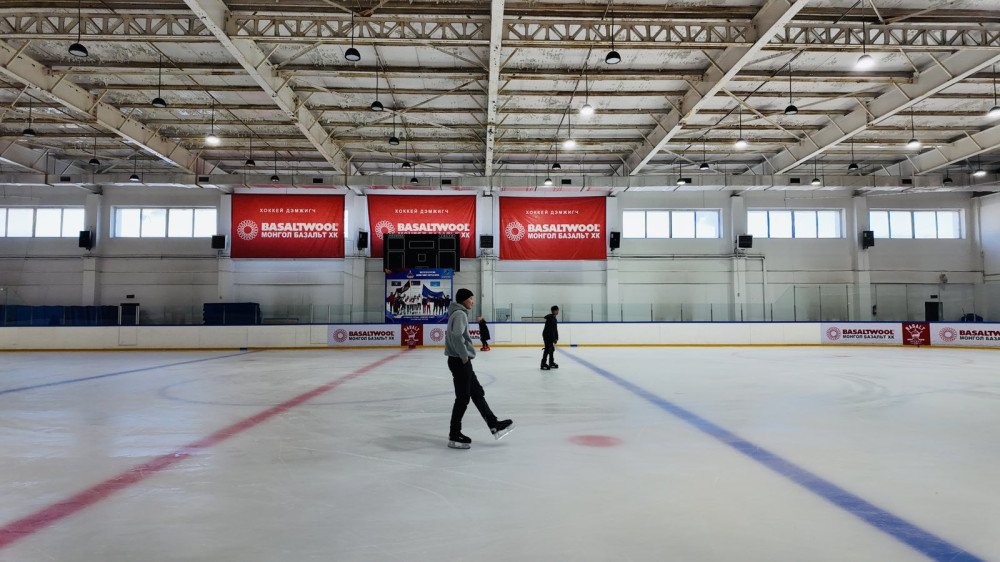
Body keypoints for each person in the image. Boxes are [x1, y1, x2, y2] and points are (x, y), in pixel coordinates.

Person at [445, 288, 513, 449]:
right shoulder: (460, 314)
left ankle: (493, 424)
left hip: (459, 361)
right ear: (464, 300)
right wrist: (464, 355)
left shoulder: (457, 313)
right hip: (460, 361)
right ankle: (454, 433)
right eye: (470, 298)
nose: (472, 301)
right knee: (463, 398)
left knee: (477, 392)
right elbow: (456, 336)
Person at [541, 305, 559, 370]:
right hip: (547, 336)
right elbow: (549, 330)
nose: (558, 311)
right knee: (547, 349)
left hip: (550, 336)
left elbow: (555, 329)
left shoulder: (554, 318)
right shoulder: (550, 319)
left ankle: (551, 362)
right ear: (553, 311)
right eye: (557, 310)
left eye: (558, 310)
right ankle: (543, 364)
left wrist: (556, 337)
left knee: (551, 349)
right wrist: (553, 338)